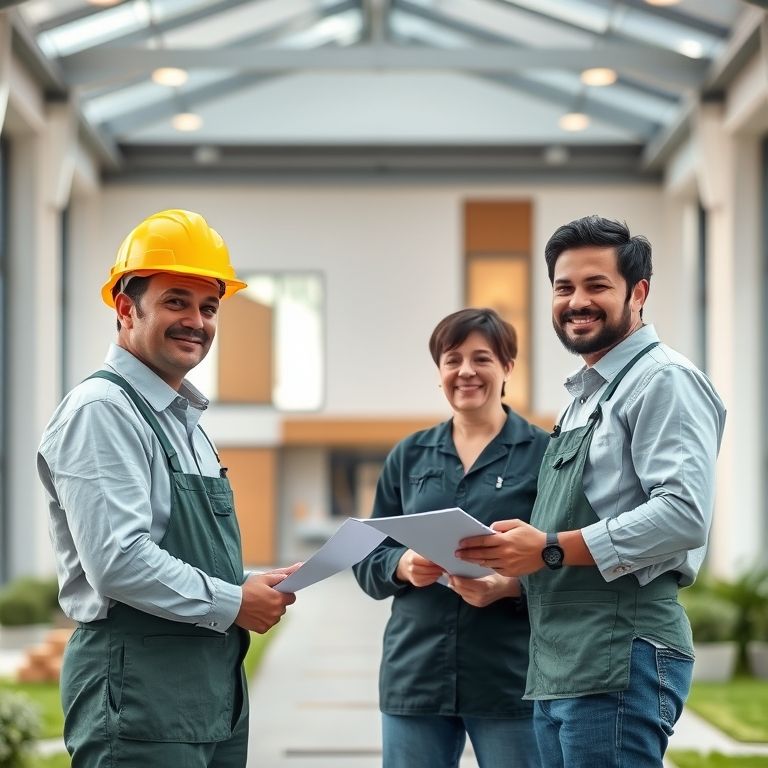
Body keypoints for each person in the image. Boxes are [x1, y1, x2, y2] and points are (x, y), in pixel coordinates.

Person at [456, 215, 726, 768]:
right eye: (564, 287)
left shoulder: (664, 380)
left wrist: (548, 547)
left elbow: (682, 516)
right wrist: (510, 581)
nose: (577, 301)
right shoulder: (583, 396)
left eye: (596, 285)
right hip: (561, 663)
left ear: (639, 292)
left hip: (621, 654)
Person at [37, 209, 298, 768]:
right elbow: (118, 561)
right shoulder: (102, 412)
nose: (197, 322)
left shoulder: (186, 421)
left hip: (208, 695)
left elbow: (176, 547)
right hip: (139, 699)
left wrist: (245, 585)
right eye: (176, 301)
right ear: (126, 308)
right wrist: (234, 602)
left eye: (209, 307)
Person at [353, 308, 548, 768]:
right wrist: (402, 565)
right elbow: (368, 559)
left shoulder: (545, 454)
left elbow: (562, 557)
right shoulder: (410, 454)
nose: (465, 371)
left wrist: (508, 586)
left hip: (510, 678)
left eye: (481, 358)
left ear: (507, 368)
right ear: (439, 371)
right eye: (452, 358)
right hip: (415, 675)